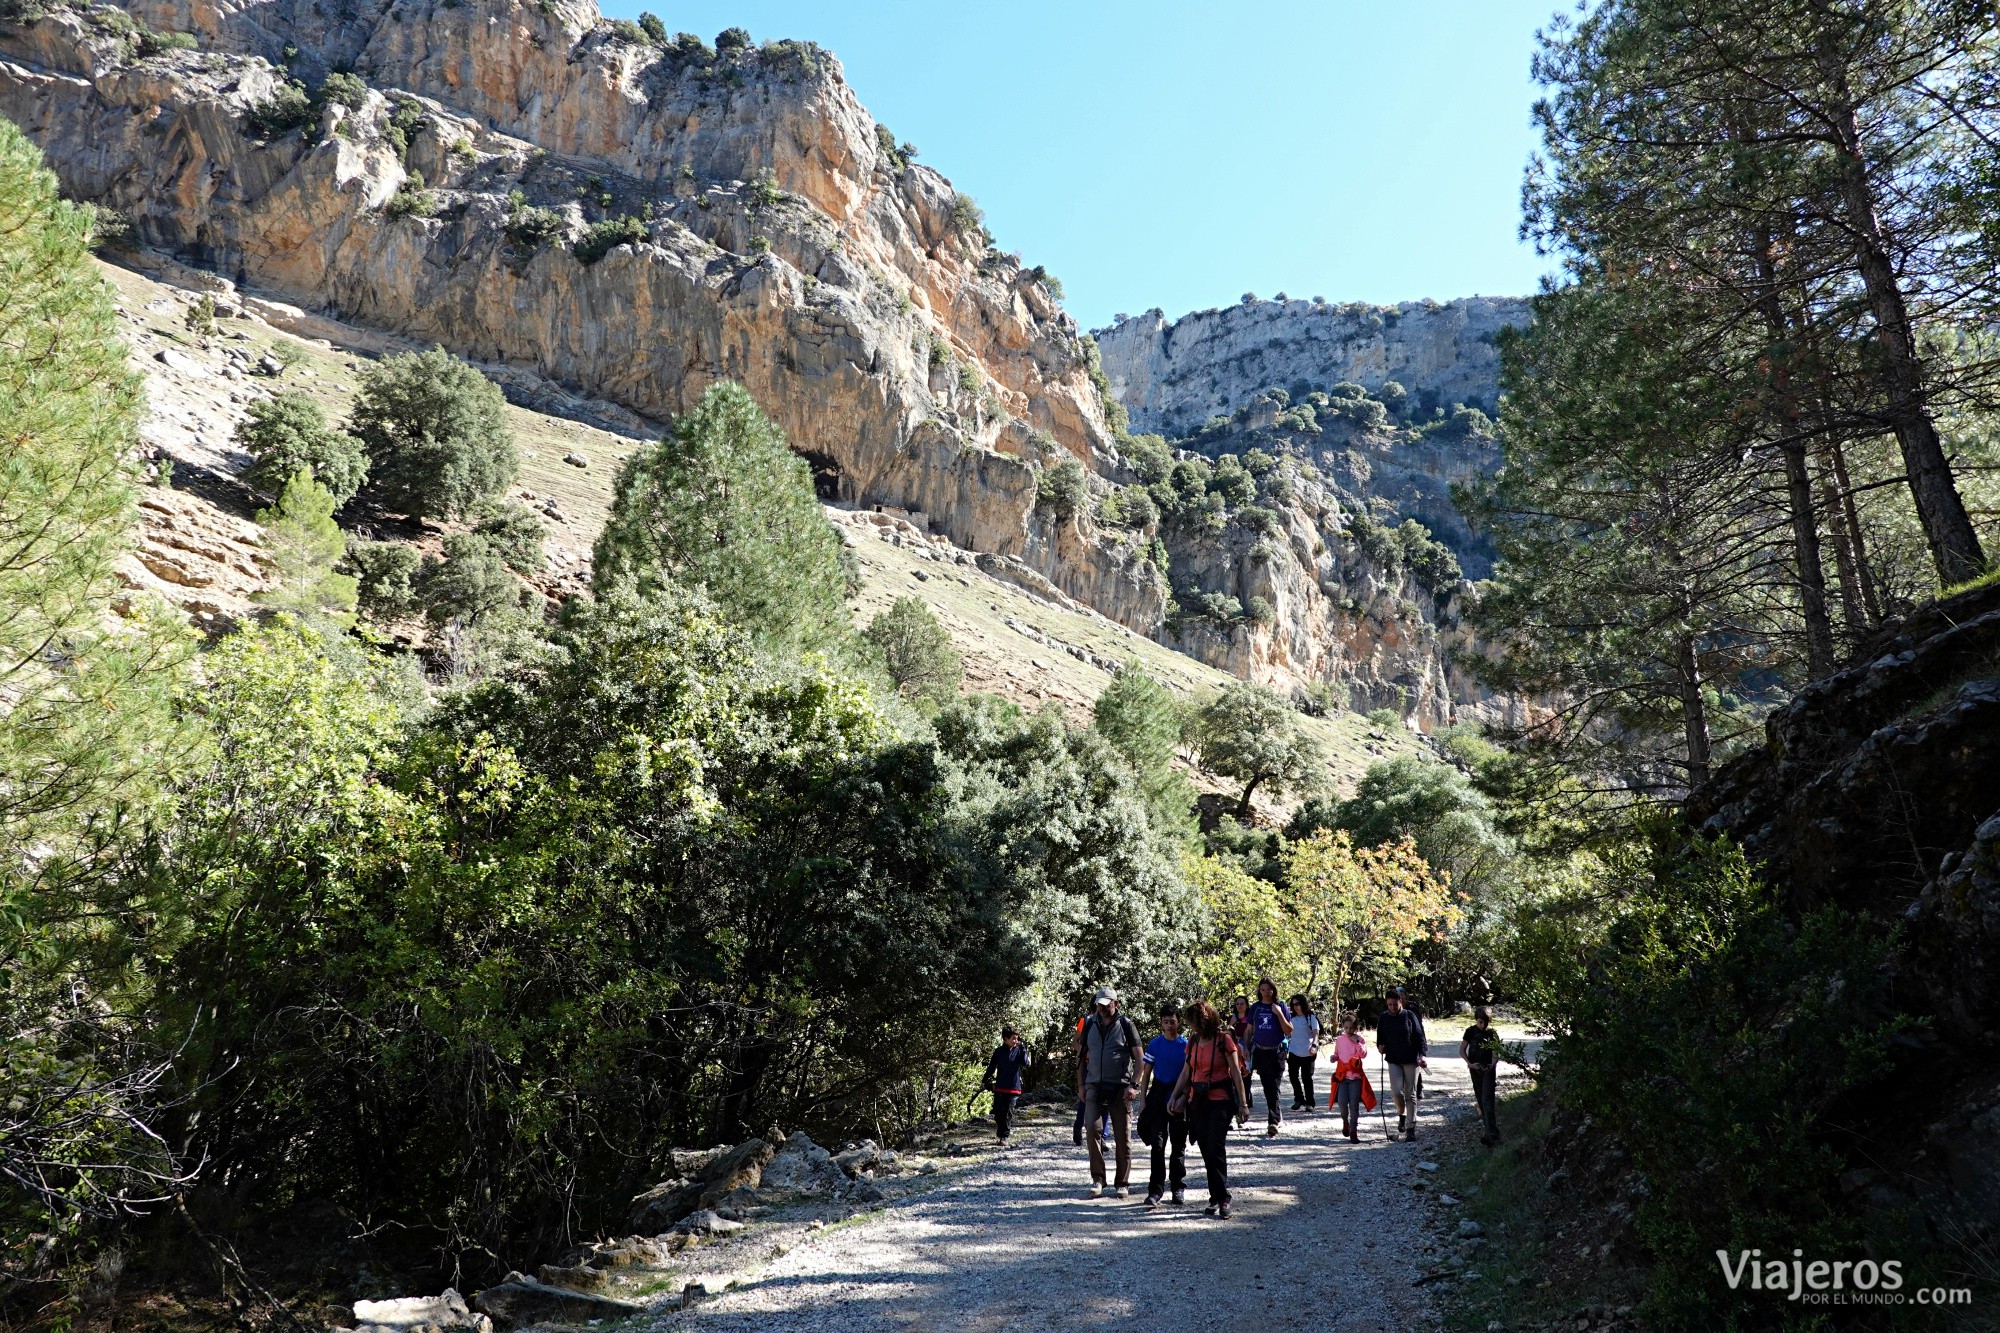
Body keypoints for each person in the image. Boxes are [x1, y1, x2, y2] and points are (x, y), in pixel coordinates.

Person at [1168, 999, 1249, 1219]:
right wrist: (1175, 1096)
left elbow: (1235, 1073)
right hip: (1198, 1101)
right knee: (1205, 1148)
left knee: (1215, 1146)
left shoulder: (1225, 1041)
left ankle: (1223, 1198)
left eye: (1193, 1021)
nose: (1190, 1025)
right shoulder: (1193, 1041)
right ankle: (1215, 1196)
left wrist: (1242, 1104)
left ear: (1202, 1020)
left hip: (1220, 1100)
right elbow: (1187, 1072)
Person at [1074, 986, 1141, 1198]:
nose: (1102, 1008)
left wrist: (1134, 1085)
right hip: (1094, 1085)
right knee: (1092, 1129)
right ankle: (1097, 1179)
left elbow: (1140, 1059)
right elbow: (1081, 1057)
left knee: (1123, 1137)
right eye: (1099, 1004)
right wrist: (1081, 1085)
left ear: (1116, 1003)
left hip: (1120, 1088)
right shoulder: (1090, 1023)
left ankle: (1122, 1182)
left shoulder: (1127, 1025)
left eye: (1106, 1004)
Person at [1135, 1004, 1189, 1207]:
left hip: (1178, 1094)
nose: (1169, 1025)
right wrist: (1143, 1102)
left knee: (1178, 1144)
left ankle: (1177, 1187)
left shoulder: (1185, 1044)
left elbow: (1189, 1074)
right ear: (1161, 1023)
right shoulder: (1155, 1045)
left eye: (1172, 1021)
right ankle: (1155, 1191)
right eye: (1165, 1022)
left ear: (1178, 1022)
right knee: (1157, 1145)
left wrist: (1184, 1097)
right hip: (1158, 1095)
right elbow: (1146, 1073)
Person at [1375, 986, 1428, 1141]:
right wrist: (1380, 1047)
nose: (1392, 1007)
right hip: (1393, 1059)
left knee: (1410, 1093)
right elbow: (1380, 1038)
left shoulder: (1409, 1016)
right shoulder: (1383, 1017)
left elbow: (1420, 1036)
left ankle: (1411, 1128)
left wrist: (1423, 1055)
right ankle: (1402, 1114)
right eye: (1389, 1004)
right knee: (1397, 1092)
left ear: (1401, 1001)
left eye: (1395, 1004)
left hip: (1411, 1059)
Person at [1245, 978, 1293, 1135]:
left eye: (1269, 989)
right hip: (1259, 1051)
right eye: (1263, 989)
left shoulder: (1281, 1006)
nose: (1266, 992)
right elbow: (1249, 1029)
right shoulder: (1255, 1008)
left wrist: (1278, 1013)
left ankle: (1273, 1121)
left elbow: (1288, 1030)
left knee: (1274, 1085)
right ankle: (1275, 1115)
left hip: (1276, 1051)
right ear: (1259, 990)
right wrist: (1245, 1047)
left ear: (1274, 990)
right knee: (1267, 1085)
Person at [1461, 1004, 1504, 1145]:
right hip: (1475, 1069)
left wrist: (1492, 1065)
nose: (1483, 1025)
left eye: (1486, 1022)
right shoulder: (1470, 1032)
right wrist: (1470, 1064)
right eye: (1480, 1022)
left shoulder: (1492, 1033)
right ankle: (1488, 1132)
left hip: (1488, 1070)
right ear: (1476, 1020)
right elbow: (1462, 1050)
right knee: (1480, 1100)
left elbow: (1496, 1053)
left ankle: (1492, 1133)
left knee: (1487, 1100)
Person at [981, 1027, 1031, 1145]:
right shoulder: (998, 1052)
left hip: (1014, 1088)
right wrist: (984, 1081)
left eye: (1017, 1038)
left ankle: (1004, 1136)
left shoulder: (1019, 1050)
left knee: (1008, 1112)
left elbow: (1025, 1063)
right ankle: (1001, 1133)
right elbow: (991, 1067)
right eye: (1013, 1038)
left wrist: (1023, 1048)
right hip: (1000, 1087)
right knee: (998, 1113)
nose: (1016, 1040)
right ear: (1005, 1039)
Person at [1330, 1011, 1373, 1141]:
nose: (1349, 1030)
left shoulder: (1359, 1039)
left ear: (1356, 1028)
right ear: (1343, 1026)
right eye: (1346, 1028)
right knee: (1342, 1103)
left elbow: (1363, 1054)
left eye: (1351, 1028)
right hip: (1342, 1077)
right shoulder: (1340, 1039)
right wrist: (1334, 1057)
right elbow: (1338, 1054)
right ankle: (1345, 1122)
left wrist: (1357, 1042)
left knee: (1354, 1104)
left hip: (1356, 1077)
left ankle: (1354, 1131)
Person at [1285, 993, 1321, 1111]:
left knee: (1306, 1078)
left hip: (1308, 1052)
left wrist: (1314, 1046)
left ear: (1303, 1004)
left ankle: (1310, 1103)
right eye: (1293, 1004)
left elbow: (1316, 1034)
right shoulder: (1290, 1018)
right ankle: (1299, 1099)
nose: (1296, 1006)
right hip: (1294, 1052)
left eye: (1298, 1004)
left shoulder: (1310, 1017)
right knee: (1293, 1077)